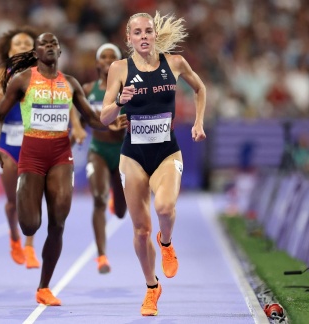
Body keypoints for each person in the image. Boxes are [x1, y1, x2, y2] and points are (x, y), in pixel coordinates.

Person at [0, 32, 125, 306]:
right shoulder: (22, 80)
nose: (49, 47)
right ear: (37, 53)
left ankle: (44, 287)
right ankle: (27, 237)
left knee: (58, 222)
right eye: (44, 44)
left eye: (54, 44)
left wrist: (112, 119)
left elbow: (91, 118)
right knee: (29, 225)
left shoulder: (70, 84)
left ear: (60, 52)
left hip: (61, 155)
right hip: (32, 155)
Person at [100, 12, 206, 316]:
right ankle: (151, 287)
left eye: (148, 31)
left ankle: (168, 241)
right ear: (129, 38)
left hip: (166, 152)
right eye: (138, 32)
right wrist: (120, 100)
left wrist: (198, 123)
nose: (144, 36)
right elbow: (104, 118)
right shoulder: (119, 69)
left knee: (164, 208)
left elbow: (200, 89)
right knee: (141, 230)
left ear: (155, 35)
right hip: (132, 154)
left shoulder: (174, 64)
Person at [0, 27, 41, 269]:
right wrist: (9, 85)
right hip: (8, 142)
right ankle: (14, 238)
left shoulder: (42, 73)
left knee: (32, 197)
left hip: (34, 140)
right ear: (9, 50)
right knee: (12, 201)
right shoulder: (0, 73)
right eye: (17, 44)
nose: (22, 46)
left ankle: (29, 247)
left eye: (27, 43)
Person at [81, 43, 127, 274]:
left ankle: (115, 198)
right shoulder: (88, 89)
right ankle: (101, 256)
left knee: (120, 212)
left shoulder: (127, 89)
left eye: (113, 57)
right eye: (104, 56)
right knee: (98, 199)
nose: (108, 60)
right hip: (97, 150)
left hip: (121, 154)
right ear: (97, 62)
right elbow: (78, 118)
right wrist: (76, 132)